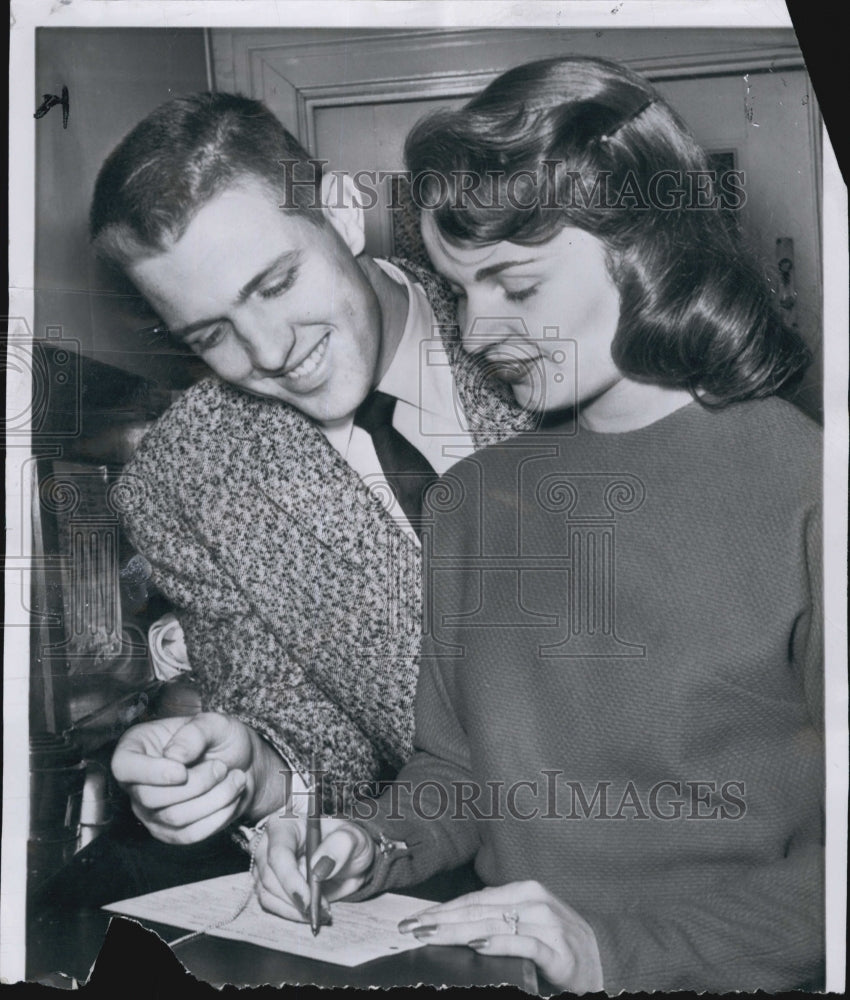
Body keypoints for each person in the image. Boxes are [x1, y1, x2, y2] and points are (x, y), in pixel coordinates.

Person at [252, 56, 824, 993]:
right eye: (458, 290)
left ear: (647, 245)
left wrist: (615, 953)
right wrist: (369, 841)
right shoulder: (474, 502)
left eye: (514, 286)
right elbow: (458, 775)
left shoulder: (810, 487)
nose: (478, 332)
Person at [90, 93, 531, 848]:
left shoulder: (542, 313)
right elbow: (300, 727)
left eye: (275, 285)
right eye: (210, 334)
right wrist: (252, 771)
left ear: (343, 212)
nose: (268, 352)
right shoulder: (184, 481)